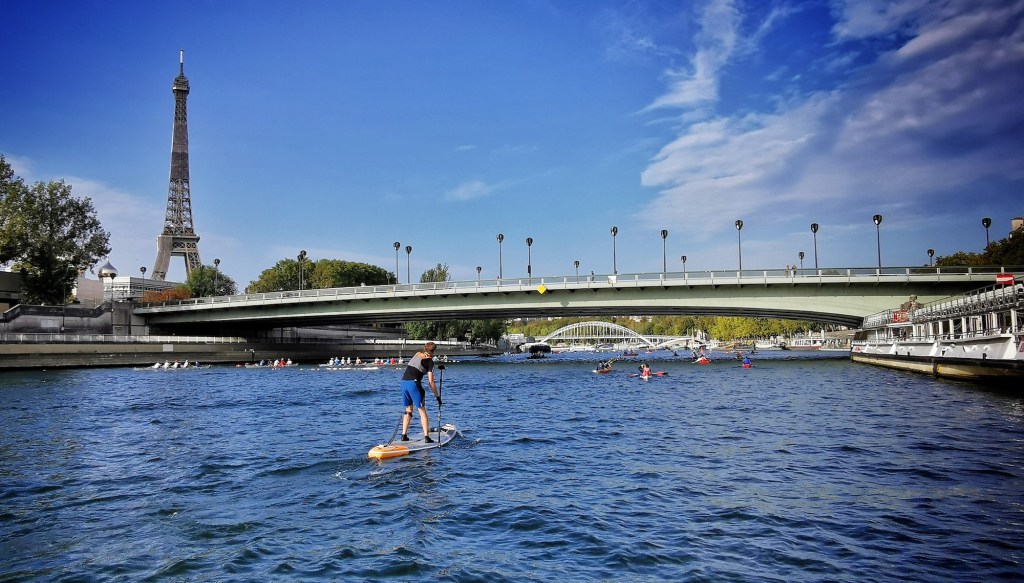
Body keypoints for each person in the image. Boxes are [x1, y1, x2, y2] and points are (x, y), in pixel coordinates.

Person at [401, 341, 441, 442]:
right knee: (422, 410)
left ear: (425, 348)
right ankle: (427, 437)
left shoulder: (417, 354)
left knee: (408, 410)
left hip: (403, 382)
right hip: (413, 384)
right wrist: (437, 397)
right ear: (434, 351)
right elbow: (431, 383)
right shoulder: (430, 362)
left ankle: (403, 435)